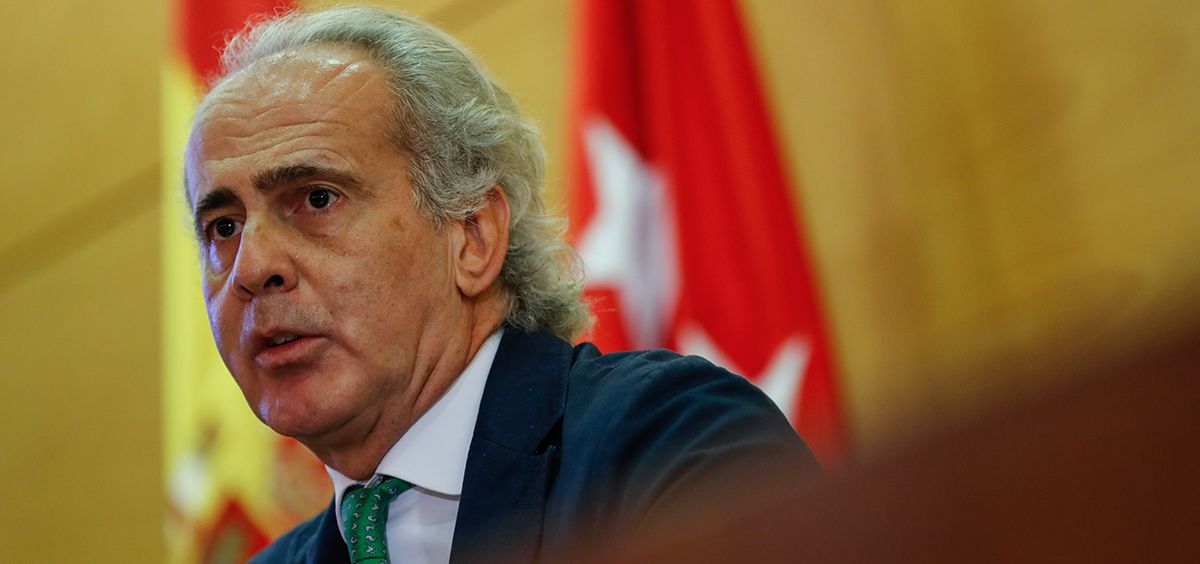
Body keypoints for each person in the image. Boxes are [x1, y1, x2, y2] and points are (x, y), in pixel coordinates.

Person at [184, 6, 818, 563]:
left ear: (473, 237)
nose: (251, 266)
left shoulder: (670, 444)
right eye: (223, 227)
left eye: (317, 198)